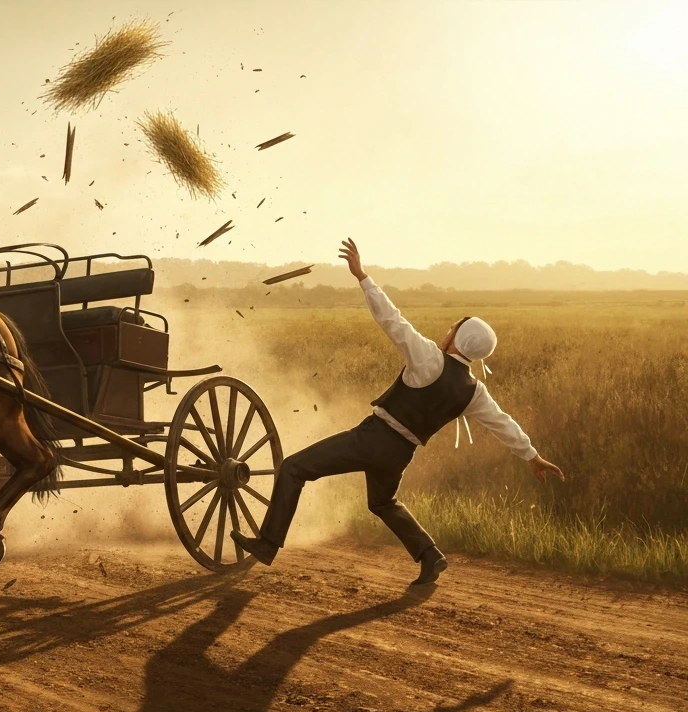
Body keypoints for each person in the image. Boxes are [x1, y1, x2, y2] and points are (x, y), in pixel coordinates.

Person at [231, 239, 565, 585]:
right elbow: (503, 424)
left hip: (373, 438)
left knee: (293, 467)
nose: (446, 331)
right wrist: (532, 456)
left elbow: (392, 319)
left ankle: (268, 544)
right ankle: (430, 556)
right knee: (383, 502)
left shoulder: (430, 359)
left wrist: (362, 276)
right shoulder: (474, 391)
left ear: (456, 340)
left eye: (451, 328)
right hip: (400, 454)